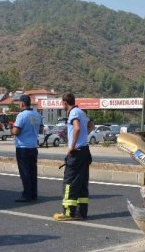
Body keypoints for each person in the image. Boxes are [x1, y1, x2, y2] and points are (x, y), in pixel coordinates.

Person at [53, 93, 94, 221]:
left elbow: (76, 128)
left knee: (69, 182)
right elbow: (91, 125)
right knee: (81, 182)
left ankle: (69, 212)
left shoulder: (73, 113)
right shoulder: (82, 112)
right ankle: (81, 212)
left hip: (77, 152)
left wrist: (72, 145)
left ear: (65, 102)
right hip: (84, 151)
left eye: (62, 103)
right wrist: (83, 137)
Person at [11, 95, 43, 202]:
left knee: (24, 172)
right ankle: (34, 194)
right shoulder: (37, 115)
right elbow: (41, 129)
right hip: (33, 147)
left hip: (22, 147)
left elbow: (16, 131)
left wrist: (13, 129)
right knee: (33, 171)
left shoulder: (21, 115)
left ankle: (26, 195)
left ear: (22, 104)